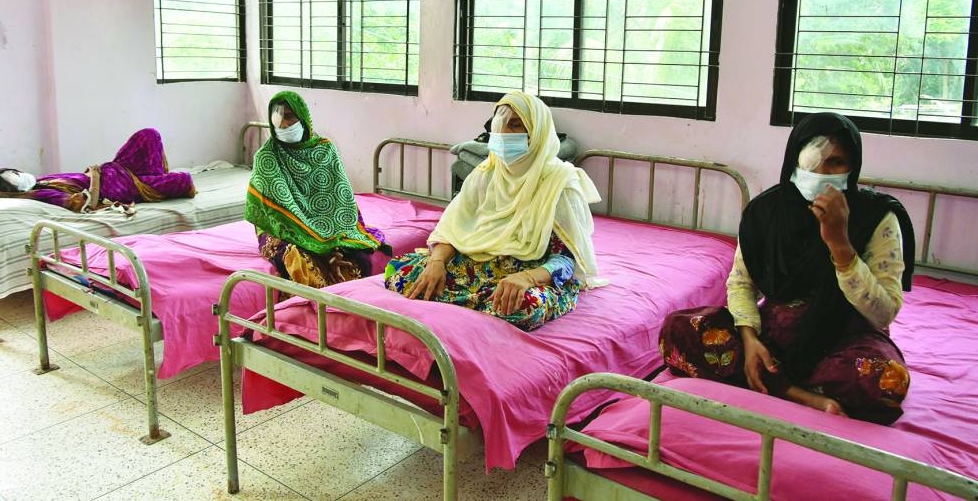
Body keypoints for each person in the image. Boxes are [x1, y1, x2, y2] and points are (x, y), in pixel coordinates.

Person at [659, 112, 915, 424]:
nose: (822, 173)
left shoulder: (876, 218)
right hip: (773, 335)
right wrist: (750, 340)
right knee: (678, 329)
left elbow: (883, 313)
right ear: (793, 161)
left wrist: (840, 245)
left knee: (885, 380)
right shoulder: (765, 213)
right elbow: (741, 284)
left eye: (835, 162)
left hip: (847, 335)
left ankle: (768, 382)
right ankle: (798, 393)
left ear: (852, 167)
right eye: (811, 162)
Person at [384, 91, 605, 331]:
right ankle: (471, 305)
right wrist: (436, 262)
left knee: (522, 306)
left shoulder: (559, 183)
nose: (502, 134)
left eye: (515, 125)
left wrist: (527, 278)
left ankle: (464, 307)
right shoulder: (486, 173)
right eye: (498, 124)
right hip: (475, 263)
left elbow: (566, 260)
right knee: (400, 272)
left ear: (536, 132)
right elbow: (452, 230)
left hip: (525, 271)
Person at [245, 90, 388, 288]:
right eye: (277, 118)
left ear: (303, 118)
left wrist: (332, 245)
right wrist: (320, 246)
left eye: (289, 117)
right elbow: (280, 214)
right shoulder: (267, 157)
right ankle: (308, 314)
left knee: (358, 261)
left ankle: (348, 311)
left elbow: (340, 201)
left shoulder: (325, 149)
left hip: (328, 226)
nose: (283, 124)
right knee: (296, 259)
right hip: (282, 228)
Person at [0, 128, 195, 213]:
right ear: (10, 190)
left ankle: (155, 177)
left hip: (118, 169)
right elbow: (86, 205)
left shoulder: (43, 181)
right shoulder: (43, 194)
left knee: (149, 134)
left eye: (15, 173)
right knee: (184, 180)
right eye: (13, 181)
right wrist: (94, 176)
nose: (19, 177)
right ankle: (154, 180)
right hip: (123, 187)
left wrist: (95, 172)